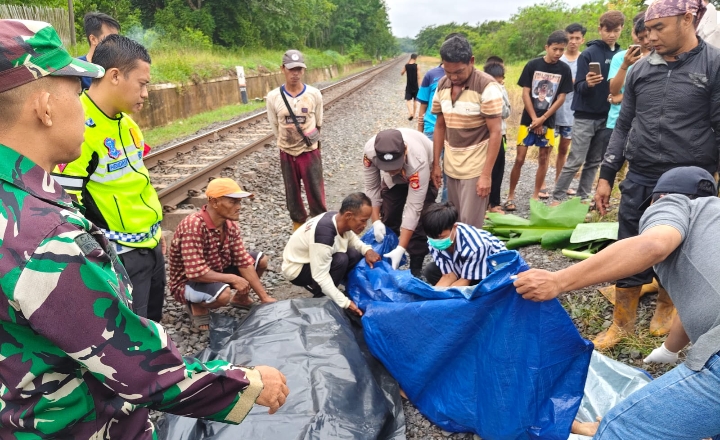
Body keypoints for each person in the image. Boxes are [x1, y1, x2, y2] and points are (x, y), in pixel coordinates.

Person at [0, 19, 288, 438]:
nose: (84, 105)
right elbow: (136, 366)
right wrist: (249, 383)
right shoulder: (47, 240)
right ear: (44, 107)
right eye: (78, 91)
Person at [515, 166, 720, 439]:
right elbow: (694, 302)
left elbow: (653, 245)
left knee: (618, 428)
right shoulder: (713, 225)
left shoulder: (676, 203)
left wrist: (558, 281)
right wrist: (669, 350)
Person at [593, 0, 720, 349]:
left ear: (687, 19)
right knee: (629, 242)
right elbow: (623, 125)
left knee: (680, 248)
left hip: (690, 179)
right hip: (642, 172)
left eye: (658, 28)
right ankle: (622, 323)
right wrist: (606, 174)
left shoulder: (714, 64)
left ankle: (666, 307)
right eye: (647, 30)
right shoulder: (639, 70)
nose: (650, 37)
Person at [52, 35, 165, 322]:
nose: (145, 93)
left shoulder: (127, 125)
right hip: (121, 257)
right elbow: (67, 206)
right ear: (115, 76)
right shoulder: (79, 128)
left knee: (153, 324)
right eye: (142, 84)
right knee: (133, 336)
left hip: (150, 245)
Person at [168, 178, 276, 330]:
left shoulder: (229, 225)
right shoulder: (193, 226)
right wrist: (232, 278)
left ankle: (241, 299)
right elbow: (195, 273)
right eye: (233, 202)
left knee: (260, 261)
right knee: (224, 295)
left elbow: (243, 261)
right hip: (188, 282)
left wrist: (264, 298)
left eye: (239, 202)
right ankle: (196, 305)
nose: (239, 207)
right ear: (214, 202)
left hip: (214, 270)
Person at [551, 11, 624, 205]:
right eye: (607, 30)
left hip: (607, 115)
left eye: (616, 30)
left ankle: (582, 198)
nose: (611, 35)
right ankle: (557, 196)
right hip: (585, 115)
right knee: (576, 160)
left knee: (594, 162)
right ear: (600, 29)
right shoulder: (589, 53)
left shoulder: (621, 54)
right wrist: (589, 83)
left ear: (621, 30)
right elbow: (578, 87)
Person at [431, 35, 504, 228]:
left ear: (471, 61)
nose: (453, 77)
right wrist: (436, 164)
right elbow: (440, 125)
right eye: (448, 71)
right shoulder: (442, 85)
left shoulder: (487, 87)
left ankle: (471, 258)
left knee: (470, 225)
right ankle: (454, 258)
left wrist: (486, 175)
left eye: (459, 71)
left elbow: (496, 132)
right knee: (453, 221)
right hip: (451, 165)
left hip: (475, 168)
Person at [282, 193, 382, 316]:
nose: (365, 226)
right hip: (297, 269)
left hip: (314, 258)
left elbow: (351, 239)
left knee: (354, 254)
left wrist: (367, 250)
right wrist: (345, 303)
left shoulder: (338, 218)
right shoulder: (323, 235)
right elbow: (321, 276)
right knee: (341, 259)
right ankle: (320, 299)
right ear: (349, 215)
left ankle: (335, 289)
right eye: (363, 221)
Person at [506, 30, 573, 210]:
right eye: (555, 49)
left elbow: (561, 97)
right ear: (546, 47)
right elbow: (526, 92)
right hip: (528, 120)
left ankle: (535, 196)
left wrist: (543, 118)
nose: (558, 53)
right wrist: (534, 118)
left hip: (549, 121)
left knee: (544, 157)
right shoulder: (532, 65)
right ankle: (510, 195)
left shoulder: (564, 69)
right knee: (519, 158)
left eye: (561, 50)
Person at [363, 128, 437, 275]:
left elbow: (413, 208)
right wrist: (376, 221)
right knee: (389, 214)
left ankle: (415, 267)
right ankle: (386, 262)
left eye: (394, 166)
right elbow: (372, 188)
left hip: (420, 170)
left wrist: (402, 248)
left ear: (405, 151)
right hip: (395, 180)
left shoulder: (418, 160)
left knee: (421, 220)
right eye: (387, 168)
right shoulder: (370, 152)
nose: (391, 170)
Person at [266, 49, 326, 231]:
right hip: (286, 151)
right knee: (292, 193)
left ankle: (320, 226)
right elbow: (275, 125)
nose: (295, 73)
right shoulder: (273, 97)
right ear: (283, 69)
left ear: (303, 70)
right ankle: (298, 226)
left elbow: (319, 122)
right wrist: (286, 143)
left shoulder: (314, 94)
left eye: (299, 69)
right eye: (292, 69)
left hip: (309, 151)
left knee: (315, 191)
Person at [543, 23, 586, 199]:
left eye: (577, 38)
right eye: (571, 38)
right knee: (545, 148)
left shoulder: (584, 59)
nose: (573, 42)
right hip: (552, 111)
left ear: (582, 40)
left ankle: (559, 182)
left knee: (564, 149)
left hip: (572, 112)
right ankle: (542, 184)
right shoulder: (556, 58)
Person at [421, 202, 507, 286]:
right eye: (432, 237)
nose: (436, 241)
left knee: (482, 288)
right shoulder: (433, 240)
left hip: (491, 270)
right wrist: (433, 296)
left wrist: (443, 297)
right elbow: (448, 276)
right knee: (431, 271)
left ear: (454, 228)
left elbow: (465, 281)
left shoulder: (475, 245)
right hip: (464, 268)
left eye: (441, 237)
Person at [483, 61, 511, 214]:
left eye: (500, 81)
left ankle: (494, 203)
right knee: (484, 170)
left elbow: (507, 113)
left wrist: (500, 95)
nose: (497, 84)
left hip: (500, 134)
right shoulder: (480, 89)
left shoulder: (502, 90)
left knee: (498, 169)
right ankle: (483, 204)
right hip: (483, 136)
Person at [78, 12, 120, 91]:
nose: (115, 43)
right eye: (110, 38)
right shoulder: (77, 70)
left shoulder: (118, 68)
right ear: (93, 39)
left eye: (117, 38)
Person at [401, 53, 421, 120]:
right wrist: (419, 86)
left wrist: (406, 64)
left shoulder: (406, 66)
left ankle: (410, 112)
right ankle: (414, 115)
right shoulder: (417, 66)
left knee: (408, 100)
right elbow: (419, 77)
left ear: (411, 57)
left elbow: (402, 73)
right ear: (416, 58)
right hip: (415, 86)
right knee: (415, 101)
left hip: (409, 86)